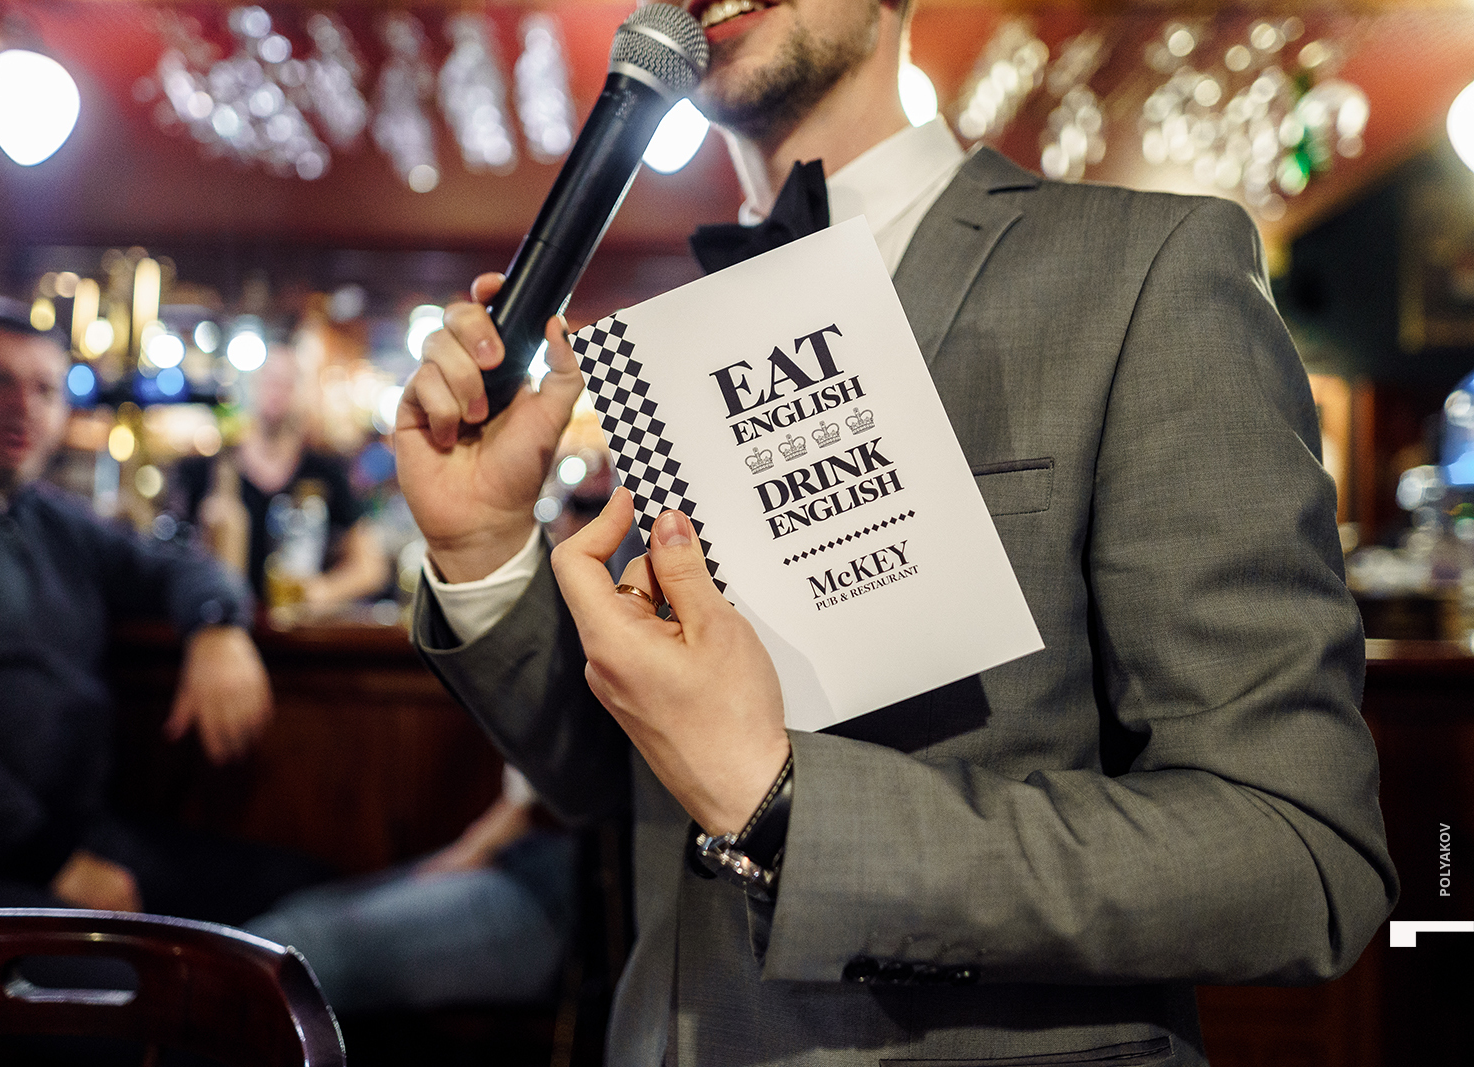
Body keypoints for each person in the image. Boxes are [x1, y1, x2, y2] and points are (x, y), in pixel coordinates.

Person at [392, 1, 1398, 1064]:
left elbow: (1297, 855)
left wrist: (787, 810)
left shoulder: (1145, 270)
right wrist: (483, 546)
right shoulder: (678, 348)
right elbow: (627, 785)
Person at [0, 296, 326, 923]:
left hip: (71, 838)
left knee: (300, 897)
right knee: (137, 976)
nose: (22, 405)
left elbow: (178, 567)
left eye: (45, 389)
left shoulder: (44, 517)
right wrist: (52, 861)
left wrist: (216, 627)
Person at [244, 765, 575, 1013]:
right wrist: (487, 837)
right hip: (533, 854)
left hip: (564, 895)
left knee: (288, 951)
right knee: (298, 913)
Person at [178, 342, 389, 612]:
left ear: (304, 393)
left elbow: (371, 568)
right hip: (222, 621)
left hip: (297, 629)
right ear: (252, 386)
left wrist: (323, 591)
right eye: (270, 380)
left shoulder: (326, 472)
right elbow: (171, 555)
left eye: (287, 382)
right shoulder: (209, 470)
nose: (276, 391)